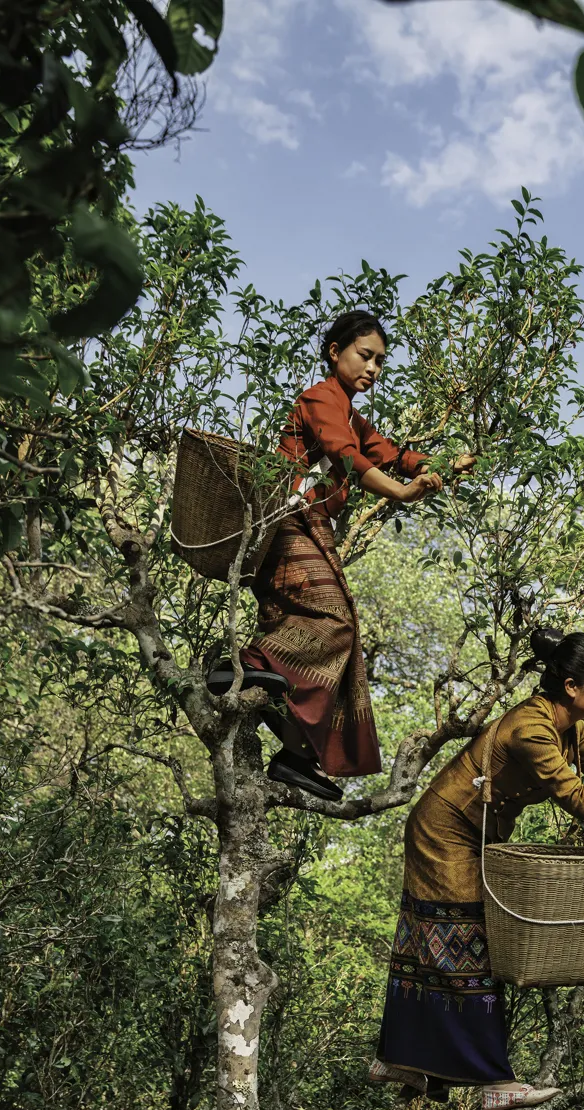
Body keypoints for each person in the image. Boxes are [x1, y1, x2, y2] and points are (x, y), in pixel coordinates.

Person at [370, 628, 584, 1110]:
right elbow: (582, 800)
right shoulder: (532, 729)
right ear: (570, 687)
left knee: (434, 940)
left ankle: (403, 1061)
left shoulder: (570, 727)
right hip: (445, 831)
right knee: (466, 942)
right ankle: (493, 1082)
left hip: (477, 835)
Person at [207, 310, 472, 801]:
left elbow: (388, 451)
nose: (373, 368)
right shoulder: (319, 399)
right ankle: (237, 666)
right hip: (285, 522)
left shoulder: (350, 410)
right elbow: (349, 455)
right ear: (335, 352)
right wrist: (400, 492)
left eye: (380, 362)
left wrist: (440, 467)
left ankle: (295, 753)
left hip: (312, 526)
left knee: (341, 638)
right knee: (335, 620)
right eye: (364, 355)